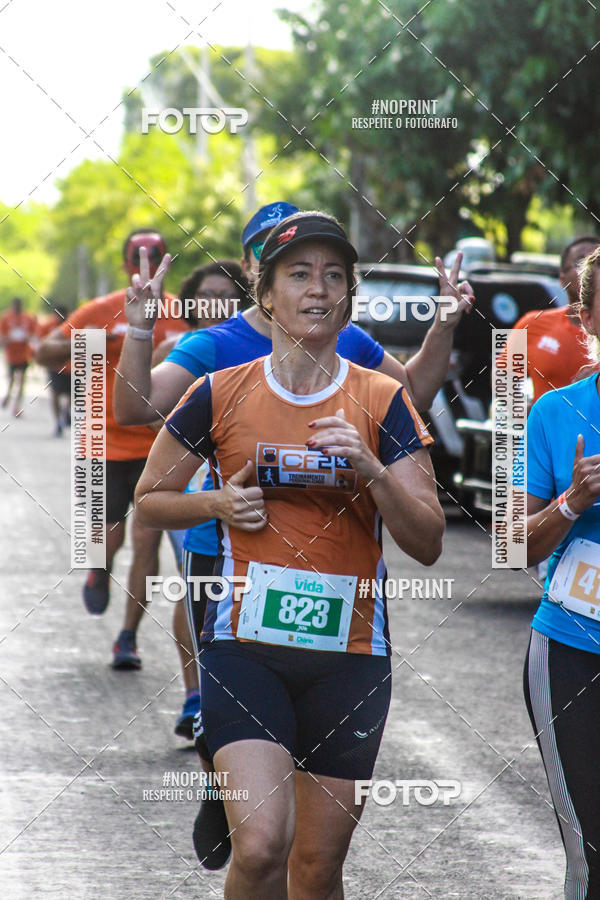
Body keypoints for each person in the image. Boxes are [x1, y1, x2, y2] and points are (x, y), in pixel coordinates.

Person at [114, 200, 474, 868]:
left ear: (349, 294)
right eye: (299, 273)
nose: (318, 288)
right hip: (240, 616)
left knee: (315, 868)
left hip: (348, 640)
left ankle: (234, 774)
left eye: (334, 276)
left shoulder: (372, 381)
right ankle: (224, 766)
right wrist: (219, 502)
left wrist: (373, 468)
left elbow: (426, 532)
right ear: (263, 286)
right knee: (260, 847)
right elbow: (142, 455)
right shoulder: (216, 366)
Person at [36, 231, 194, 731]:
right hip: (101, 442)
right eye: (138, 256)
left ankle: (127, 637)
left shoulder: (183, 311)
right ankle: (98, 570)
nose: (145, 264)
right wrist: (101, 341)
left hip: (159, 445)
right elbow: (45, 352)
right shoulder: (102, 309)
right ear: (127, 261)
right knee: (109, 536)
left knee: (147, 542)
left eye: (154, 256)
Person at [523, 245, 600, 899]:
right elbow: (512, 547)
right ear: (587, 318)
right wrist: (572, 502)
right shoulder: (552, 413)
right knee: (592, 854)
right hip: (573, 649)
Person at [506, 235, 600, 403]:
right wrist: (522, 410)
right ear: (562, 279)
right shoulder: (532, 323)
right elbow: (503, 377)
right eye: (580, 261)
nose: (587, 268)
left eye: (594, 262)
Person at [37, 304, 71, 436]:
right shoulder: (49, 326)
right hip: (54, 367)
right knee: (55, 393)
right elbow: (41, 343)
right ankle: (58, 422)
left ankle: (65, 412)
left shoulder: (75, 323)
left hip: (72, 367)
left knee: (72, 394)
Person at [0, 297, 38, 417]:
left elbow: (34, 334)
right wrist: (8, 339)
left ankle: (17, 407)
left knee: (21, 380)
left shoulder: (28, 318)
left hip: (24, 355)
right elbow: (1, 336)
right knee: (11, 379)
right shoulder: (6, 317)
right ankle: (7, 396)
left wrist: (26, 337)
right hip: (11, 354)